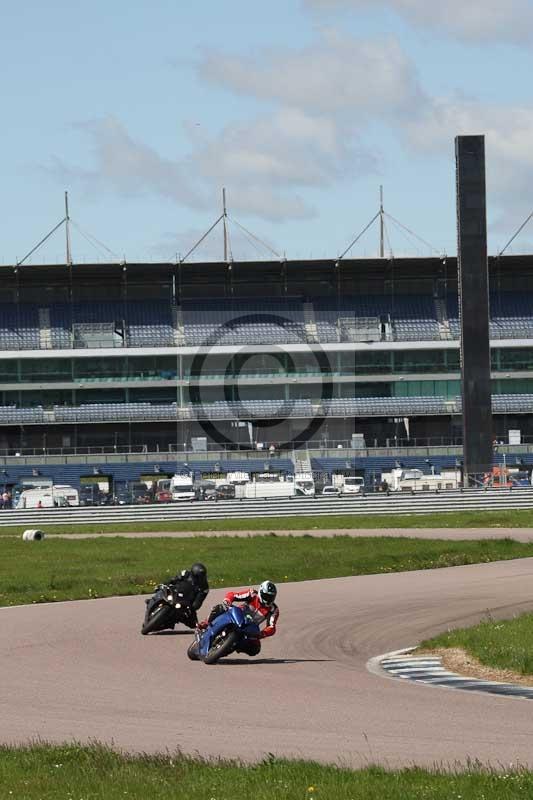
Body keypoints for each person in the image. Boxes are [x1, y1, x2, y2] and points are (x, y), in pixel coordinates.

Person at [199, 580, 279, 656]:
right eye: (266, 596)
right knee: (220, 608)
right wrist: (228, 601)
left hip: (249, 627)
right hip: (237, 615)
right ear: (260, 592)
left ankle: (232, 647)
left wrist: (263, 633)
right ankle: (206, 623)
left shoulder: (273, 610)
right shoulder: (252, 594)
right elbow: (233, 595)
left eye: (271, 597)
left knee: (255, 648)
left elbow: (271, 627)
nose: (268, 599)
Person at [163, 562, 209, 628]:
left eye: (201, 577)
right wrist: (167, 583)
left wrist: (193, 606)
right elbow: (174, 579)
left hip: (186, 601)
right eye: (198, 577)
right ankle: (152, 602)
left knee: (193, 623)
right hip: (175, 592)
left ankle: (172, 620)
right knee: (162, 590)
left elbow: (199, 600)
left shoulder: (204, 587)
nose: (200, 578)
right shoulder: (185, 573)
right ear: (193, 574)